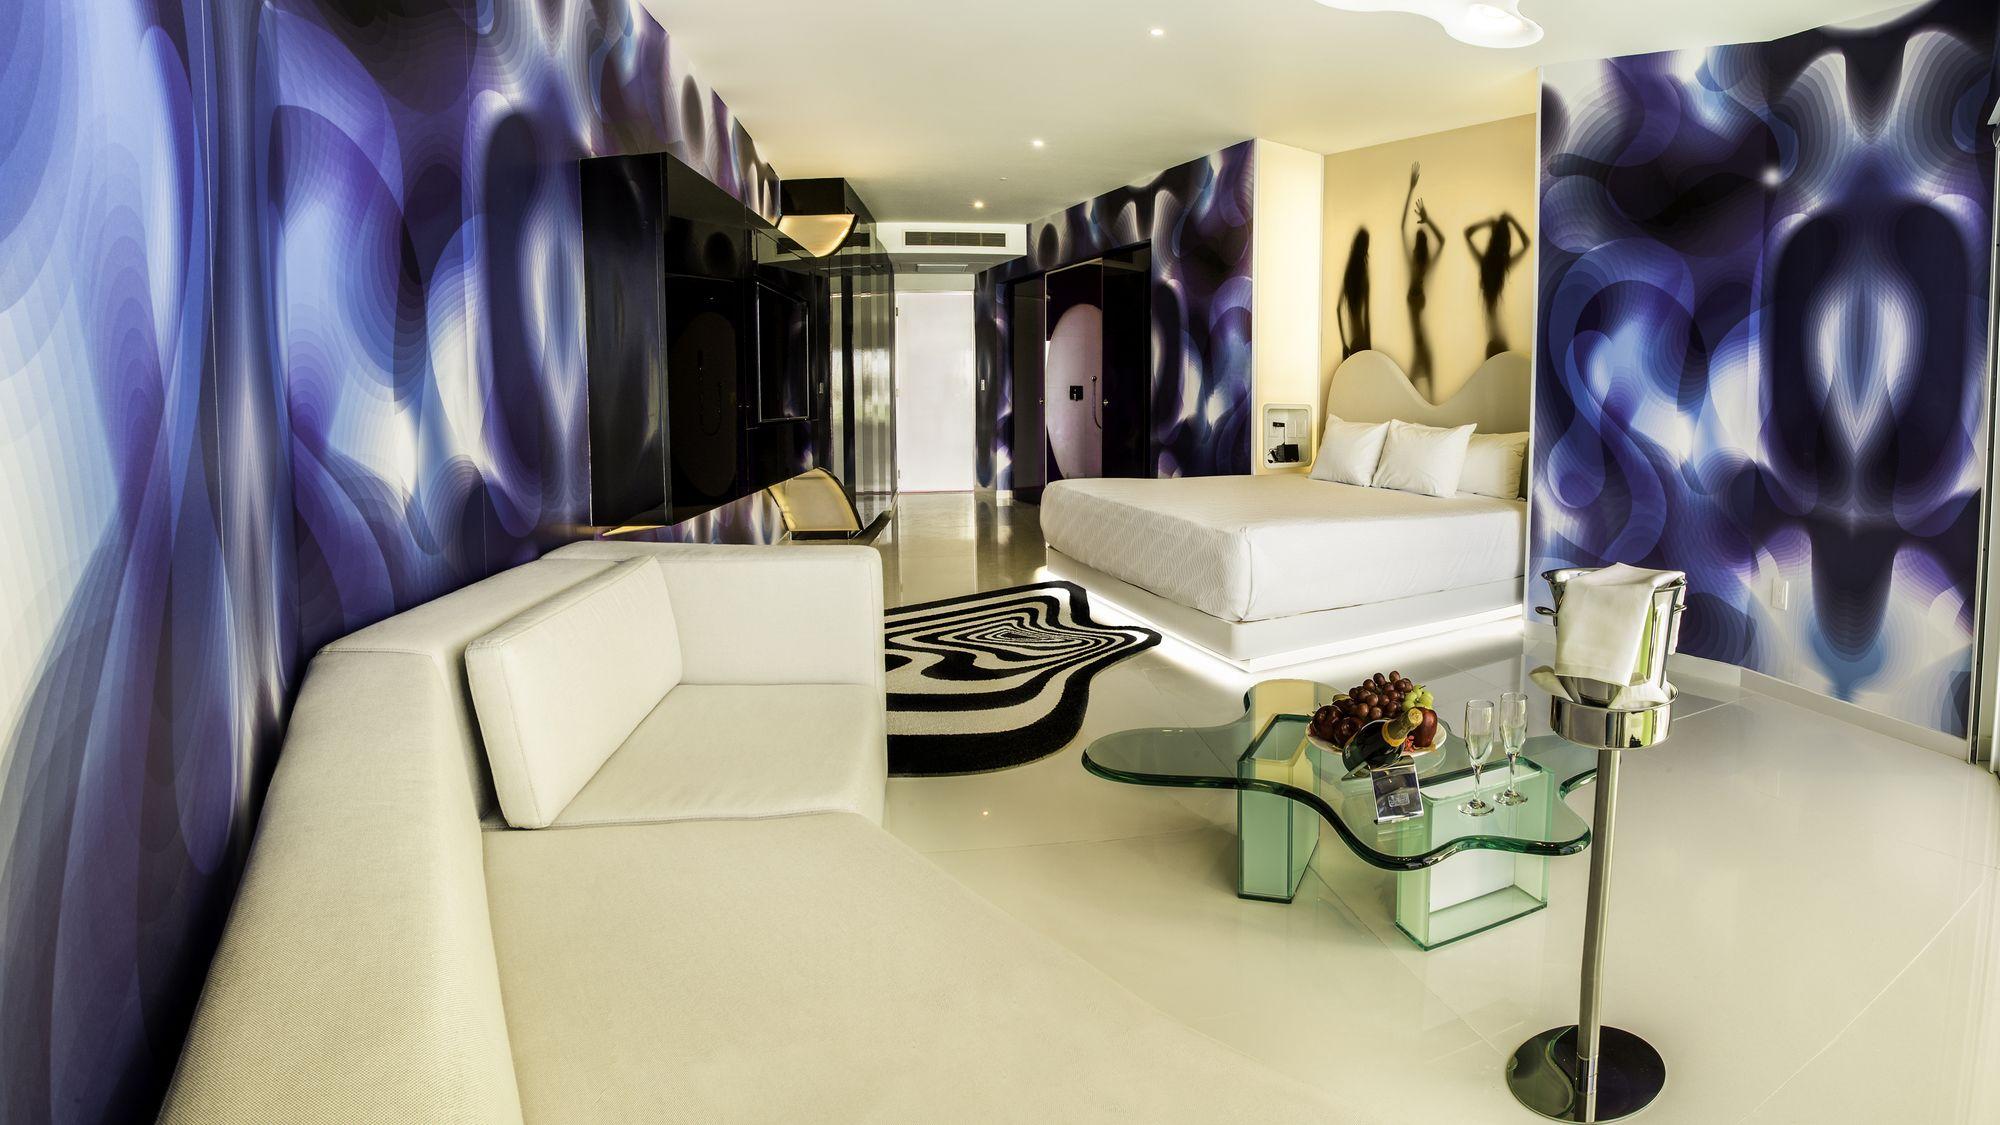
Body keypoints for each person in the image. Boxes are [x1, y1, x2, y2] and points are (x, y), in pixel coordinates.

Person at [1465, 212, 1532, 357]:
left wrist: (1487, 223)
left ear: (1492, 238)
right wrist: (1512, 220)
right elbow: (1526, 243)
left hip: (1494, 334)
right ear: (1507, 243)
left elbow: (1467, 233)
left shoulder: (1485, 263)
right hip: (1498, 334)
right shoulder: (1503, 265)